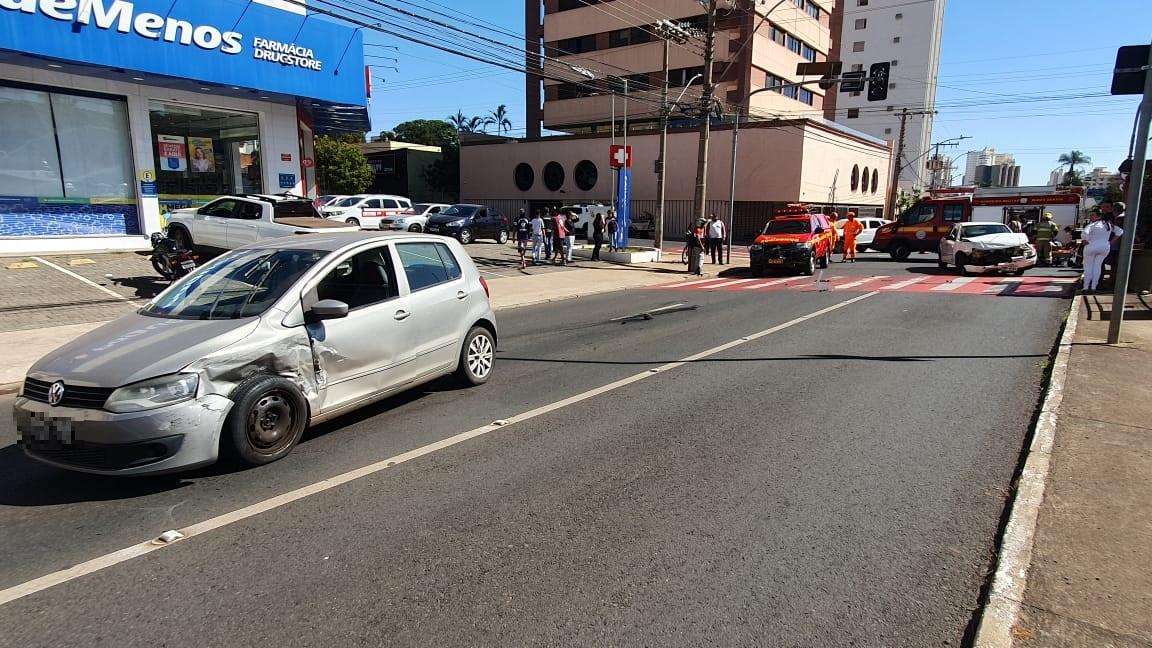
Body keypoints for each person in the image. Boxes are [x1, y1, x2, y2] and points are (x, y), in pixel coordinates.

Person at [1081, 209, 1122, 293]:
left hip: (1091, 246)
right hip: (1104, 247)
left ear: (1099, 216)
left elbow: (1084, 233)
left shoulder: (1092, 225)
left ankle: (1086, 287)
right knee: (1097, 266)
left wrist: (1085, 240)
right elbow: (1120, 232)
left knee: (1088, 266)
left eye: (1092, 215)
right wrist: (1111, 241)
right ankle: (1094, 287)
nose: (1091, 217)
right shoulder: (1109, 225)